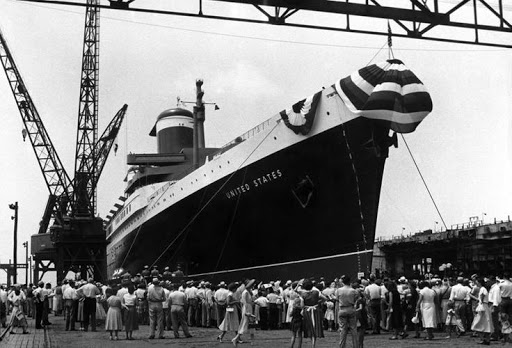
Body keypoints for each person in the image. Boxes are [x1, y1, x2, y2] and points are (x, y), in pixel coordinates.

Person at [299, 279, 325, 348]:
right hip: (316, 310)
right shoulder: (316, 292)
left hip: (307, 311)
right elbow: (324, 298)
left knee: (309, 326)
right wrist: (318, 302)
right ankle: (313, 343)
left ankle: (312, 342)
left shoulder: (302, 294)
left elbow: (302, 306)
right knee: (315, 326)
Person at [336, 275, 358, 348]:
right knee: (353, 329)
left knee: (342, 330)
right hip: (351, 308)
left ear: (342, 282)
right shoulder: (353, 291)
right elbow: (355, 299)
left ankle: (342, 346)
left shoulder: (338, 290)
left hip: (342, 309)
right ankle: (356, 345)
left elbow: (337, 300)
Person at [233, 279, 256, 346]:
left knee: (251, 325)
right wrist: (247, 313)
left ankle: (252, 341)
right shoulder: (245, 292)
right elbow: (245, 303)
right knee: (244, 324)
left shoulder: (248, 292)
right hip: (247, 309)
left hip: (249, 308)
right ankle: (236, 338)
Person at [471, 277, 493, 345]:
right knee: (485, 323)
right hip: (484, 306)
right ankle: (485, 339)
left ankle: (484, 339)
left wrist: (479, 305)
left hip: (483, 307)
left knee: (479, 323)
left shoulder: (483, 289)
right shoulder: (483, 289)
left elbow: (481, 300)